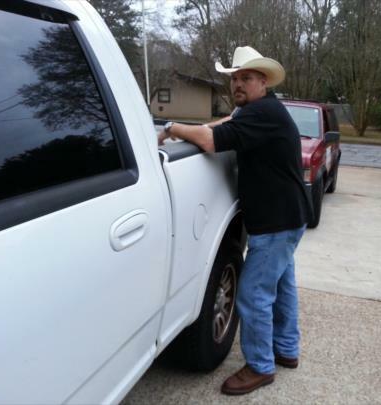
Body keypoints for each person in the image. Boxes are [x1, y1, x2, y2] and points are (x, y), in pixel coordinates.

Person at [158, 46, 311, 395]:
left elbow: (213, 141)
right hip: (288, 217)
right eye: (235, 78)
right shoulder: (260, 110)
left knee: (254, 294)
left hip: (276, 223)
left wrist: (171, 127)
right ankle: (287, 349)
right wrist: (191, 128)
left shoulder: (263, 112)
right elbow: (226, 123)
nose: (238, 84)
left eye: (246, 78)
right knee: (282, 286)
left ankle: (260, 366)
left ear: (263, 81)